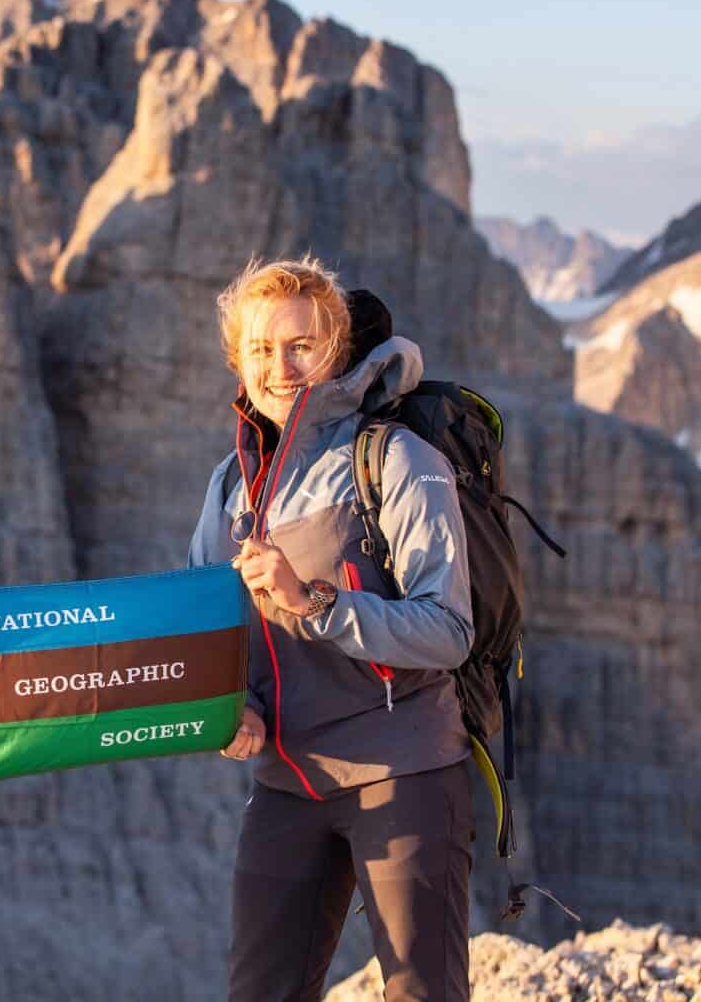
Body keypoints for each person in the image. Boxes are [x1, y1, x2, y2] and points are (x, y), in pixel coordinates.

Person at [188, 256, 475, 1002]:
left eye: (300, 345)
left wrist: (315, 603)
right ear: (236, 361)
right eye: (259, 349)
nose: (278, 367)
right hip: (288, 782)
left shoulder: (398, 459)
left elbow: (448, 630)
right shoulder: (228, 484)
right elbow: (204, 628)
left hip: (403, 767)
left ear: (337, 349)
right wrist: (228, 705)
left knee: (422, 993)